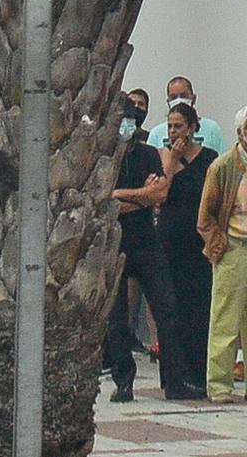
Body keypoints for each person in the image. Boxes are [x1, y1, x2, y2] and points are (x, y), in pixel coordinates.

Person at [105, 92, 189, 402]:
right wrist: (141, 195)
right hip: (114, 245)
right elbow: (106, 202)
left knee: (166, 308)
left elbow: (160, 195)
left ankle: (175, 380)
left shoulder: (149, 154)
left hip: (146, 243)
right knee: (116, 317)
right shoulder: (104, 156)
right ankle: (123, 380)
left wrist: (125, 196)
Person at [198, 104, 247, 402]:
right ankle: (219, 385)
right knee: (225, 321)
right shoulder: (223, 167)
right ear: (240, 133)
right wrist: (219, 245)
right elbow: (205, 217)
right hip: (235, 250)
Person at [159, 101, 216, 401]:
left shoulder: (209, 159)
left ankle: (198, 373)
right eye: (169, 126)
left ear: (192, 127)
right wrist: (173, 160)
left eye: (178, 126)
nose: (173, 132)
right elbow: (161, 193)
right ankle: (174, 376)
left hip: (199, 246)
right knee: (173, 309)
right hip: (170, 242)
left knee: (198, 308)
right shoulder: (165, 157)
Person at [166, 76, 225, 152]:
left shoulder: (212, 128)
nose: (179, 100)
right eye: (173, 97)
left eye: (183, 96)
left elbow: (221, 159)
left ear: (193, 98)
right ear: (168, 102)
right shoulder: (156, 133)